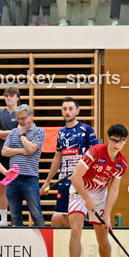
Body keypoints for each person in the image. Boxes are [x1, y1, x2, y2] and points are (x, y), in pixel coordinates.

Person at [65, 124, 129, 257]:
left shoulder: (122, 163)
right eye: (114, 140)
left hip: (100, 195)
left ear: (125, 142)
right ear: (108, 139)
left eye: (120, 141)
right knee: (76, 228)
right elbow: (75, 177)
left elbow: (114, 190)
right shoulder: (94, 152)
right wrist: (87, 198)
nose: (116, 144)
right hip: (80, 191)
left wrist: (107, 215)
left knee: (102, 237)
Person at [41, 97, 99, 227]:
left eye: (71, 109)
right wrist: (47, 181)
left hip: (81, 182)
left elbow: (96, 155)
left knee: (78, 216)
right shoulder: (61, 133)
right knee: (58, 218)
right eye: (64, 109)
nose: (67, 112)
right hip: (64, 180)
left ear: (77, 111)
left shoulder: (86, 130)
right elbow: (58, 157)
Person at [1, 104, 45, 227]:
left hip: (30, 178)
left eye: (23, 118)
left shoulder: (39, 132)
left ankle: (43, 243)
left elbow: (31, 149)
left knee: (36, 214)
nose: (20, 122)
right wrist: (21, 150)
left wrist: (22, 135)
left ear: (31, 116)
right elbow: (4, 151)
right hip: (13, 179)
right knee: (15, 216)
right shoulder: (13, 132)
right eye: (18, 119)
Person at [0, 86, 21, 226]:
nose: (9, 98)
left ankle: (16, 219)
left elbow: (23, 131)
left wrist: (2, 132)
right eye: (6, 95)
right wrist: (12, 132)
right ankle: (3, 219)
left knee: (17, 187)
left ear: (17, 98)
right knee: (2, 187)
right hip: (2, 155)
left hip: (18, 155)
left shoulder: (22, 112)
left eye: (12, 95)